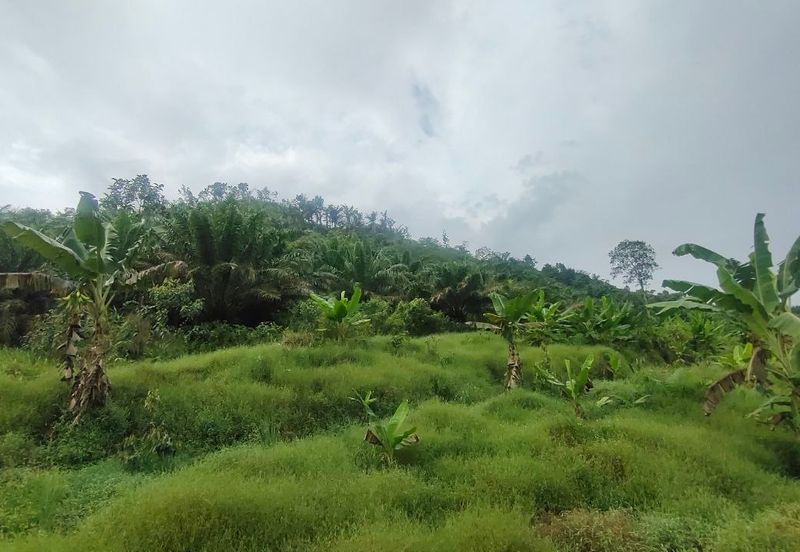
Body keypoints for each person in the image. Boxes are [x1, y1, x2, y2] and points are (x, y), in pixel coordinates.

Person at [59, 315, 86, 382]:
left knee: (70, 364)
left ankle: (70, 376)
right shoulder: (74, 334)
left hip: (72, 352)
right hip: (72, 352)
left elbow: (69, 341)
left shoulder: (74, 334)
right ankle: (69, 376)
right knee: (69, 364)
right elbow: (69, 341)